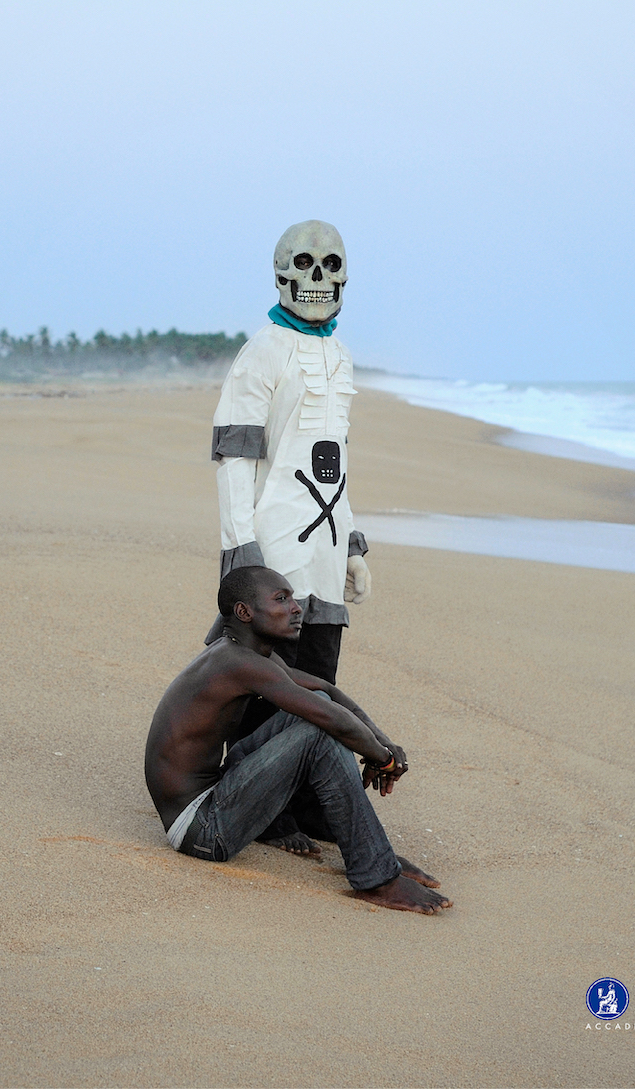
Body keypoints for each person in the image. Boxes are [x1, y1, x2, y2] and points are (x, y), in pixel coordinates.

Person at [145, 566, 453, 915]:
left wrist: (384, 742)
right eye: (281, 599)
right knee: (318, 731)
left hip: (218, 793)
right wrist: (384, 759)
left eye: (292, 598)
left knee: (317, 709)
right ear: (244, 612)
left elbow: (326, 691)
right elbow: (329, 720)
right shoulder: (238, 663)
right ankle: (377, 877)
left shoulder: (245, 653)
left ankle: (370, 850)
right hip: (201, 831)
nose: (296, 608)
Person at [208, 219, 372, 850]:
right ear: (280, 275)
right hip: (274, 550)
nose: (317, 280)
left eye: (330, 266)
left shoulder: (341, 356)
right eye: (304, 265)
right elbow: (235, 455)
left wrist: (354, 545)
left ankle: (305, 804)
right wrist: (240, 550)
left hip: (325, 551)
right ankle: (265, 813)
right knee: (266, 688)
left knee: (319, 678)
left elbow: (336, 459)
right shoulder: (262, 352)